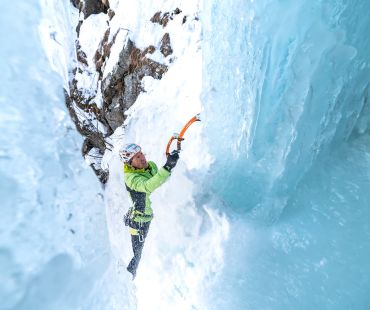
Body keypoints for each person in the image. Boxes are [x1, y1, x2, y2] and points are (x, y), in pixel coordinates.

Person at [119, 143, 180, 279]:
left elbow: (160, 178)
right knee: (137, 255)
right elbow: (149, 185)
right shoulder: (131, 179)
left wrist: (168, 164)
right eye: (137, 157)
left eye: (141, 154)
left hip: (144, 216)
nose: (142, 158)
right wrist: (168, 166)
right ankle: (126, 280)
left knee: (138, 254)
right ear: (130, 163)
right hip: (138, 222)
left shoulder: (150, 165)